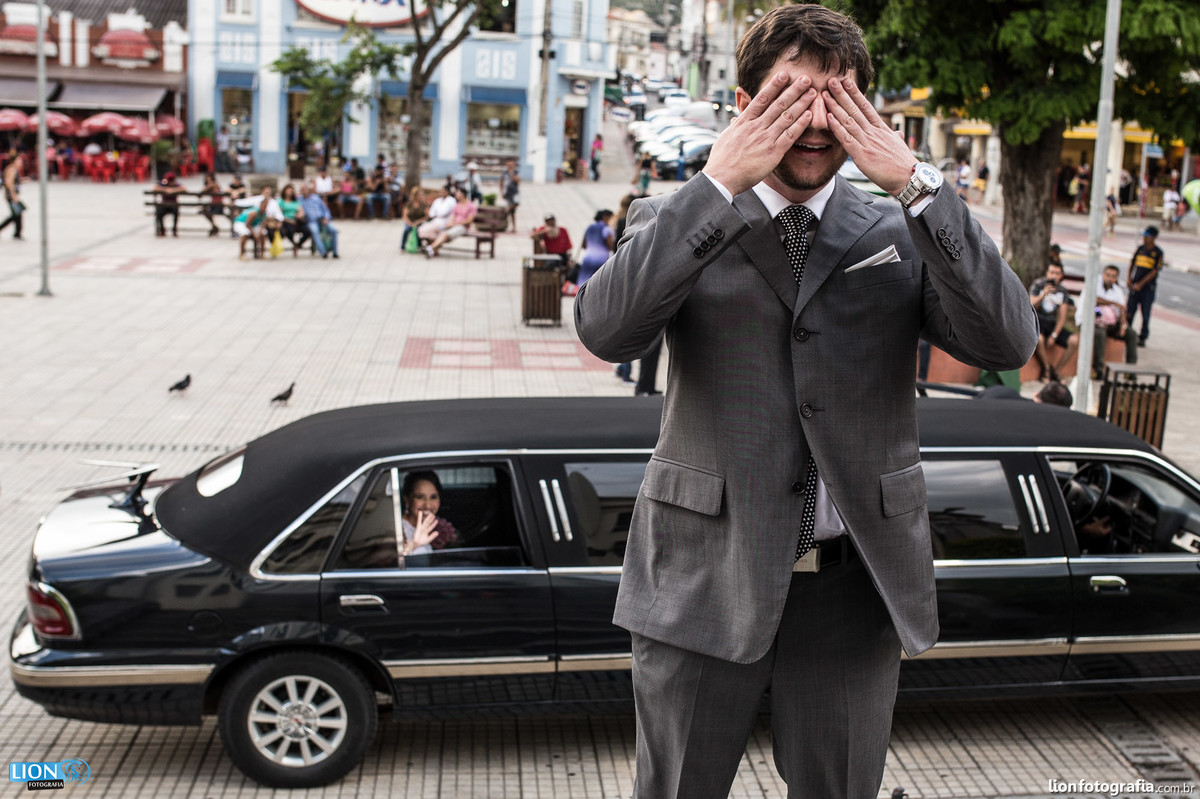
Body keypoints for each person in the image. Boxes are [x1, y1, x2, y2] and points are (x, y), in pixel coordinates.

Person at [572, 6, 1036, 797]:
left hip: (852, 588)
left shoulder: (900, 226)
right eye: (790, 96)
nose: (815, 123)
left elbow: (1007, 342)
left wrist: (919, 185)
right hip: (702, 577)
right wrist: (718, 181)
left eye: (839, 99)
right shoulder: (677, 220)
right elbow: (607, 329)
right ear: (745, 103)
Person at [1077, 264, 1138, 379]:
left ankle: (1130, 370)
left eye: (1113, 276)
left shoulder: (1118, 291)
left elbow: (1122, 309)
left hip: (1110, 323)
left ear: (1116, 278)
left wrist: (1123, 326)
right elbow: (1093, 299)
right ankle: (1098, 369)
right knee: (1100, 334)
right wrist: (1113, 303)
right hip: (1091, 322)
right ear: (1103, 275)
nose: (1109, 278)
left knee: (1132, 334)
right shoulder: (1093, 286)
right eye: (1108, 275)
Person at [1029, 262, 1078, 382]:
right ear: (1047, 273)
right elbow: (1030, 305)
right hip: (1038, 322)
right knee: (1038, 339)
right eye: (1051, 272)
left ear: (1061, 276)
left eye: (1057, 273)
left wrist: (1055, 335)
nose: (1053, 276)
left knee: (1074, 340)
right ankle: (1046, 369)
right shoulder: (1038, 285)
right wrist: (1043, 295)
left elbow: (1062, 316)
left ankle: (1057, 371)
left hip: (1052, 324)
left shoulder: (1062, 291)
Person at [399, 470, 459, 559]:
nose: (428, 505)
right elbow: (389, 567)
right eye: (420, 497)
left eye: (433, 497)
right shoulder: (397, 529)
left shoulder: (438, 525)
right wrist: (413, 545)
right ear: (407, 499)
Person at [1127, 225, 1163, 347]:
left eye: (1147, 236)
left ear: (1153, 238)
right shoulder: (1140, 249)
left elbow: (1154, 272)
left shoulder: (1157, 253)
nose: (1144, 238)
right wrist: (1129, 279)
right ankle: (1126, 333)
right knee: (1129, 311)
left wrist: (1141, 284)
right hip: (1135, 285)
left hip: (1148, 289)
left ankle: (1143, 337)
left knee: (1145, 313)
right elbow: (1132, 263)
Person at [424, 187, 477, 257]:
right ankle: (433, 250)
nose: (456, 195)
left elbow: (469, 221)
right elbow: (452, 217)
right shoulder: (457, 206)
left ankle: (431, 248)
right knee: (440, 232)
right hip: (454, 226)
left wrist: (454, 224)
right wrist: (448, 224)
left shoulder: (471, 206)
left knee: (446, 235)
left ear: (463, 194)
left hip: (463, 227)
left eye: (457, 193)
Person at [299, 183, 339, 259]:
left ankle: (335, 252)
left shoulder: (316, 198)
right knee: (314, 231)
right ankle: (323, 252)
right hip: (312, 221)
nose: (304, 191)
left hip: (323, 219)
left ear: (309, 190)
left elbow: (326, 209)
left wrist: (326, 218)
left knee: (334, 230)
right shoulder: (300, 200)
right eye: (302, 190)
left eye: (305, 189)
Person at [575, 209, 614, 287]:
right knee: (599, 282)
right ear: (605, 217)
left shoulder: (589, 227)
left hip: (588, 257)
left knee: (584, 282)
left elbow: (583, 245)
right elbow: (610, 245)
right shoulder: (606, 228)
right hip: (601, 259)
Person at [277, 183, 310, 255]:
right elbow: (279, 214)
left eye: (291, 191)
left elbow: (301, 210)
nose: (290, 192)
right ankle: (294, 244)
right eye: (288, 190)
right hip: (286, 221)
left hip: (297, 221)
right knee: (288, 231)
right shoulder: (281, 201)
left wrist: (299, 215)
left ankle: (298, 245)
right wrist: (289, 220)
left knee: (308, 230)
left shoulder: (295, 201)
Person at [154, 172, 187, 237]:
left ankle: (174, 229)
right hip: (164, 205)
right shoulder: (163, 183)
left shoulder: (176, 184)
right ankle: (162, 229)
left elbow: (184, 188)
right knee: (159, 213)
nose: (169, 181)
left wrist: (173, 190)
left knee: (176, 212)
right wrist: (166, 189)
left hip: (173, 205)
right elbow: (155, 187)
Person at [0, 151, 25, 240]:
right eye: (19, 160)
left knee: (18, 214)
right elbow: (9, 182)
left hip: (11, 195)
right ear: (14, 161)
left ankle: (17, 233)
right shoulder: (11, 169)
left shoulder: (13, 169)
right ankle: (17, 233)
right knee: (15, 214)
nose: (20, 162)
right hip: (11, 195)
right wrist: (13, 195)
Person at [400, 186, 428, 252]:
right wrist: (409, 223)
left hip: (420, 221)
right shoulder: (409, 204)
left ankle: (419, 246)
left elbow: (427, 216)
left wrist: (418, 221)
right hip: (410, 221)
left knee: (420, 230)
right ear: (415, 195)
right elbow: (405, 215)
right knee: (407, 230)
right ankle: (402, 246)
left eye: (421, 194)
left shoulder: (424, 204)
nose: (421, 196)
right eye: (419, 195)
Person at [199, 173, 226, 237]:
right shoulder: (212, 185)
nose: (208, 179)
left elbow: (202, 191)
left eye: (209, 178)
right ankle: (214, 227)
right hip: (213, 203)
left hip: (217, 204)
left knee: (206, 211)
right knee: (204, 211)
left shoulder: (213, 184)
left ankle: (214, 227)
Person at [500, 160, 520, 229]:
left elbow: (517, 181)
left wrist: (512, 174)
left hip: (515, 192)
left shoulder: (516, 172)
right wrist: (501, 192)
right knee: (512, 212)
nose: (510, 166)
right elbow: (501, 182)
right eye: (508, 165)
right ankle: (513, 227)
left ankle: (506, 211)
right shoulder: (504, 172)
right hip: (507, 192)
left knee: (516, 203)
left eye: (511, 165)